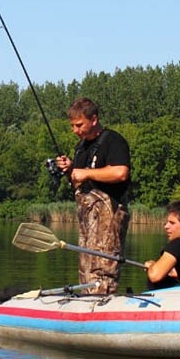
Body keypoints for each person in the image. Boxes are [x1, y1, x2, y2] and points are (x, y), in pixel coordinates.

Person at [54, 97, 131, 294]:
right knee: (86, 266)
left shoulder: (113, 140)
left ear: (94, 119)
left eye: (79, 125)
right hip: (87, 218)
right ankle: (87, 303)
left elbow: (120, 172)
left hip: (109, 215)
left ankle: (104, 302)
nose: (75, 130)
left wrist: (86, 172)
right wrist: (69, 169)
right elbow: (79, 181)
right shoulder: (81, 147)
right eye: (72, 126)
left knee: (104, 268)